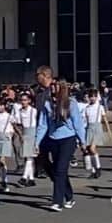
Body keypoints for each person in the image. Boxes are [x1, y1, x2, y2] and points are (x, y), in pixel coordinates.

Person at [36, 82, 87, 211]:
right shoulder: (47, 104)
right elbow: (43, 124)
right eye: (51, 87)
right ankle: (69, 196)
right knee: (58, 171)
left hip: (68, 138)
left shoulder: (70, 103)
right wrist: (36, 143)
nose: (52, 89)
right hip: (53, 138)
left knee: (60, 169)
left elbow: (78, 123)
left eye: (55, 86)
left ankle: (57, 202)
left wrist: (83, 141)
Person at [81, 89, 109, 179]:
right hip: (89, 128)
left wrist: (109, 130)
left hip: (97, 128)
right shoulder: (87, 108)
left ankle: (98, 167)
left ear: (97, 97)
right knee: (89, 149)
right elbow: (84, 120)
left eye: (94, 96)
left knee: (93, 148)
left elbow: (105, 119)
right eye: (91, 96)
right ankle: (93, 171)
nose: (92, 98)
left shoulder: (100, 107)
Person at [12, 92, 38, 185]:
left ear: (29, 101)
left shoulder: (33, 111)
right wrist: (20, 134)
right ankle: (31, 178)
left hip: (33, 132)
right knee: (28, 156)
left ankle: (24, 177)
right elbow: (15, 122)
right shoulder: (19, 111)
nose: (23, 102)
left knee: (29, 156)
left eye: (25, 100)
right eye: (22, 100)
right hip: (25, 132)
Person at [0, 96, 15, 193]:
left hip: (6, 138)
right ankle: (3, 180)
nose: (0, 107)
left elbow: (13, 126)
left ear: (5, 106)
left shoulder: (9, 116)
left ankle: (5, 181)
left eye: (2, 105)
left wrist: (11, 134)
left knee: (2, 159)